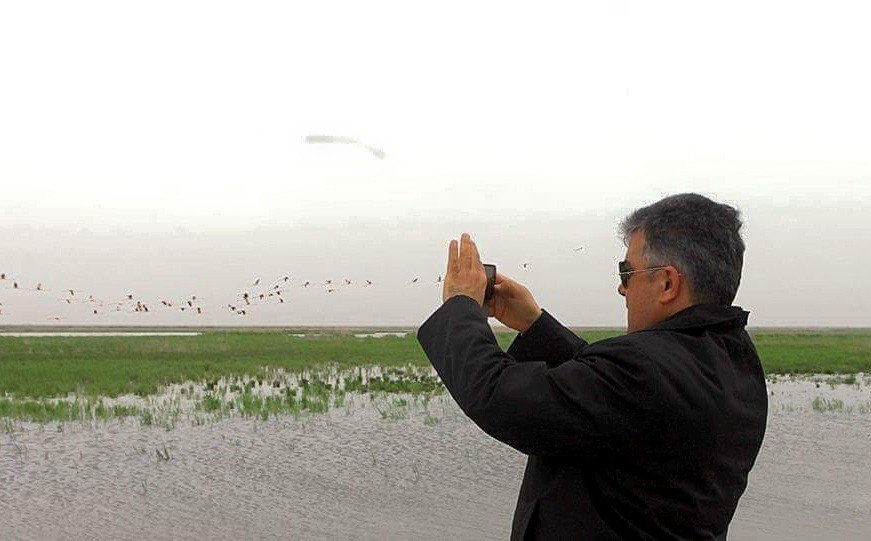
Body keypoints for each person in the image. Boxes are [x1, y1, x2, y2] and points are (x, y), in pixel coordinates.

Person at [416, 193, 768, 540]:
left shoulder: (645, 371)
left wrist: (461, 305)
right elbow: (614, 401)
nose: (621, 288)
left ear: (667, 283)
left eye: (626, 272)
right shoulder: (735, 365)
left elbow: (499, 396)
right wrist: (535, 325)